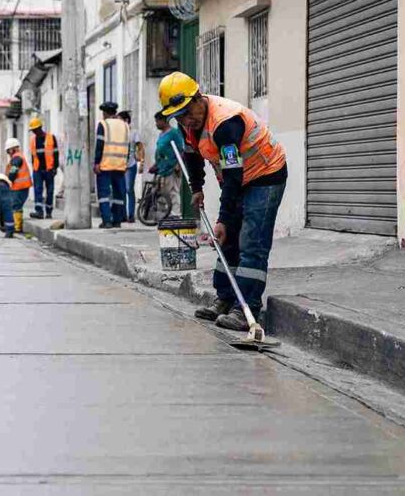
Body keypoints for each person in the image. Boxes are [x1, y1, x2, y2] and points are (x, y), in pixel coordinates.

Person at [159, 71, 287, 332]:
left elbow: (232, 174)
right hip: (238, 177)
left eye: (187, 112)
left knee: (252, 241)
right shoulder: (188, 125)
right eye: (179, 116)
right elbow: (192, 156)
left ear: (198, 98)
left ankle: (246, 309)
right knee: (227, 241)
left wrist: (223, 219)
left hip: (265, 175)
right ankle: (225, 300)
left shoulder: (225, 123)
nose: (185, 120)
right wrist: (196, 188)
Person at [93, 101, 129, 229]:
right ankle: (117, 221)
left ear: (105, 113)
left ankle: (107, 221)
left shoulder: (103, 124)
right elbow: (127, 146)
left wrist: (96, 162)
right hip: (120, 165)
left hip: (105, 164)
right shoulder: (125, 125)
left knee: (104, 194)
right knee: (119, 194)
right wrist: (125, 163)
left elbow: (99, 145)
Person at [148, 111, 184, 217]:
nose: (156, 124)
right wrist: (155, 165)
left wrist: (178, 164)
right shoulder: (161, 135)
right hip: (162, 168)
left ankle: (176, 214)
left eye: (157, 121)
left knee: (173, 191)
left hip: (172, 167)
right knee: (163, 192)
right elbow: (160, 152)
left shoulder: (174, 133)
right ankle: (166, 214)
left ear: (164, 121)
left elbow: (181, 149)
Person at [27, 118, 59, 219]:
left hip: (49, 169)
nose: (34, 132)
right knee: (38, 190)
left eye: (35, 129)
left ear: (40, 128)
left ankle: (49, 211)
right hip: (38, 170)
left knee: (50, 191)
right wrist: (34, 168)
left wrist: (55, 167)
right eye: (32, 130)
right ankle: (39, 211)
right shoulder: (33, 141)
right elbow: (33, 156)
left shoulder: (51, 138)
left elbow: (56, 153)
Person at [118, 111, 144, 223]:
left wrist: (141, 161)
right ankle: (123, 215)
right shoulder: (117, 133)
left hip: (131, 164)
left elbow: (140, 147)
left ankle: (131, 215)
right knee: (121, 190)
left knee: (129, 189)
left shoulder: (133, 133)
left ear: (126, 120)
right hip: (119, 165)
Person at [4, 138, 32, 233]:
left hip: (19, 187)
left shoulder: (17, 158)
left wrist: (8, 180)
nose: (8, 153)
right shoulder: (18, 157)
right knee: (16, 206)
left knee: (16, 206)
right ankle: (16, 225)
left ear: (13, 148)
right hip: (21, 187)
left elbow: (13, 171)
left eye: (9, 150)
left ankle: (16, 227)